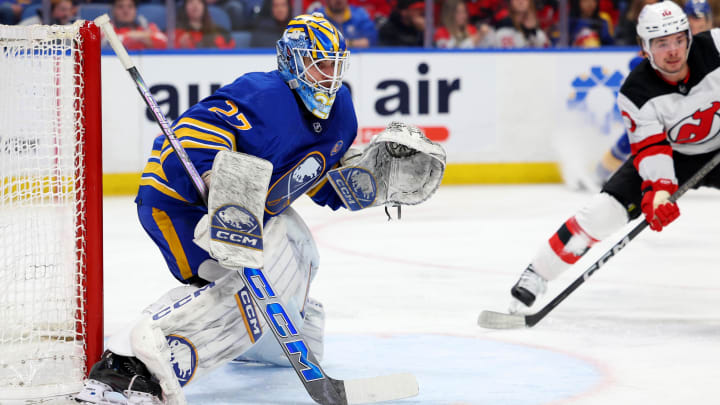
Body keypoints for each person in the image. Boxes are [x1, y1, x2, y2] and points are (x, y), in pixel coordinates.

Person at [75, 13, 444, 405]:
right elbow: (189, 136)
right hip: (180, 205)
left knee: (299, 246)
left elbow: (314, 174)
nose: (328, 75)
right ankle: (126, 364)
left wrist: (369, 181)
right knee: (236, 279)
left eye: (335, 64)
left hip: (256, 210)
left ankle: (264, 344)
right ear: (290, 62)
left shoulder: (341, 114)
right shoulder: (264, 95)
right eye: (318, 64)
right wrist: (221, 185)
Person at [508, 1, 720, 314]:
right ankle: (538, 273)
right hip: (674, 155)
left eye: (679, 39)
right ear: (645, 48)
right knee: (602, 212)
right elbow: (651, 148)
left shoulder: (715, 46)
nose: (673, 51)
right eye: (662, 44)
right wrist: (660, 190)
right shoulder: (636, 91)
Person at [594, 0, 713, 184]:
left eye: (702, 22)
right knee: (640, 137)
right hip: (663, 100)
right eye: (693, 21)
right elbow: (640, 63)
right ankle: (603, 170)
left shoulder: (711, 44)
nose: (698, 25)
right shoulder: (667, 37)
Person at [313, 0, 378, 48]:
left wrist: (348, 43)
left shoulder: (360, 14)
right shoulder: (317, 17)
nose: (338, 1)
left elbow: (370, 41)